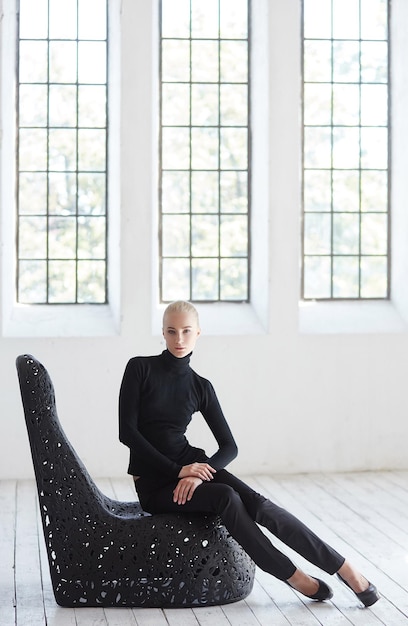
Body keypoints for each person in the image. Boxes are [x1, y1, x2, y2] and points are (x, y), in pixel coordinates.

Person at [119, 300, 380, 608]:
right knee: (226, 497)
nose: (179, 339)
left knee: (260, 506)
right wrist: (179, 472)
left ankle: (345, 568)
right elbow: (128, 433)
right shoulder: (140, 368)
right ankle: (293, 576)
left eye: (186, 331)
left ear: (198, 333)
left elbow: (230, 447)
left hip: (192, 468)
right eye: (172, 331)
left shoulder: (200, 386)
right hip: (155, 483)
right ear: (162, 333)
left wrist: (199, 472)